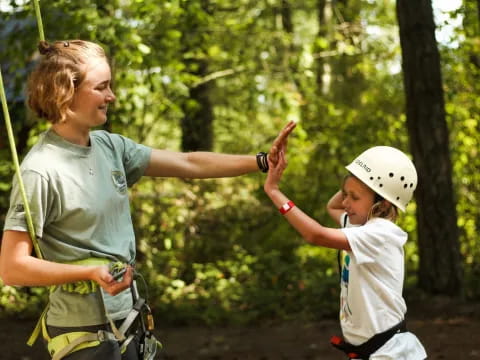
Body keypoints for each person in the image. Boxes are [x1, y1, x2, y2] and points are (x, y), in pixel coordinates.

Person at [0, 39, 296, 360]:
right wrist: (87, 272)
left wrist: (262, 160)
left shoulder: (110, 147)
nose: (111, 96)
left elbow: (189, 163)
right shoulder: (40, 170)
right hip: (82, 337)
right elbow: (12, 268)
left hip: (129, 324)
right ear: (66, 91)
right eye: (102, 87)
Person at [264, 145, 427, 359]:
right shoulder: (360, 226)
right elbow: (333, 208)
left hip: (389, 353)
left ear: (383, 203)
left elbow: (316, 235)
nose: (345, 202)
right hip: (373, 351)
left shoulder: (381, 234)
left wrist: (274, 192)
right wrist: (358, 179)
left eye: (354, 197)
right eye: (345, 194)